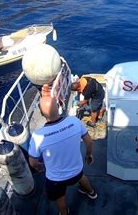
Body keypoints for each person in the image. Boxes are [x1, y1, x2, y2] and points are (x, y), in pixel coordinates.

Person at [28, 84, 98, 215]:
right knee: (81, 177)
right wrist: (89, 155)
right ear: (59, 107)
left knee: (60, 200)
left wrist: (41, 167)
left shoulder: (38, 136)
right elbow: (89, 142)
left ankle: (64, 213)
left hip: (56, 180)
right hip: (77, 171)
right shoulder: (75, 122)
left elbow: (32, 163)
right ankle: (91, 193)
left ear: (42, 114)